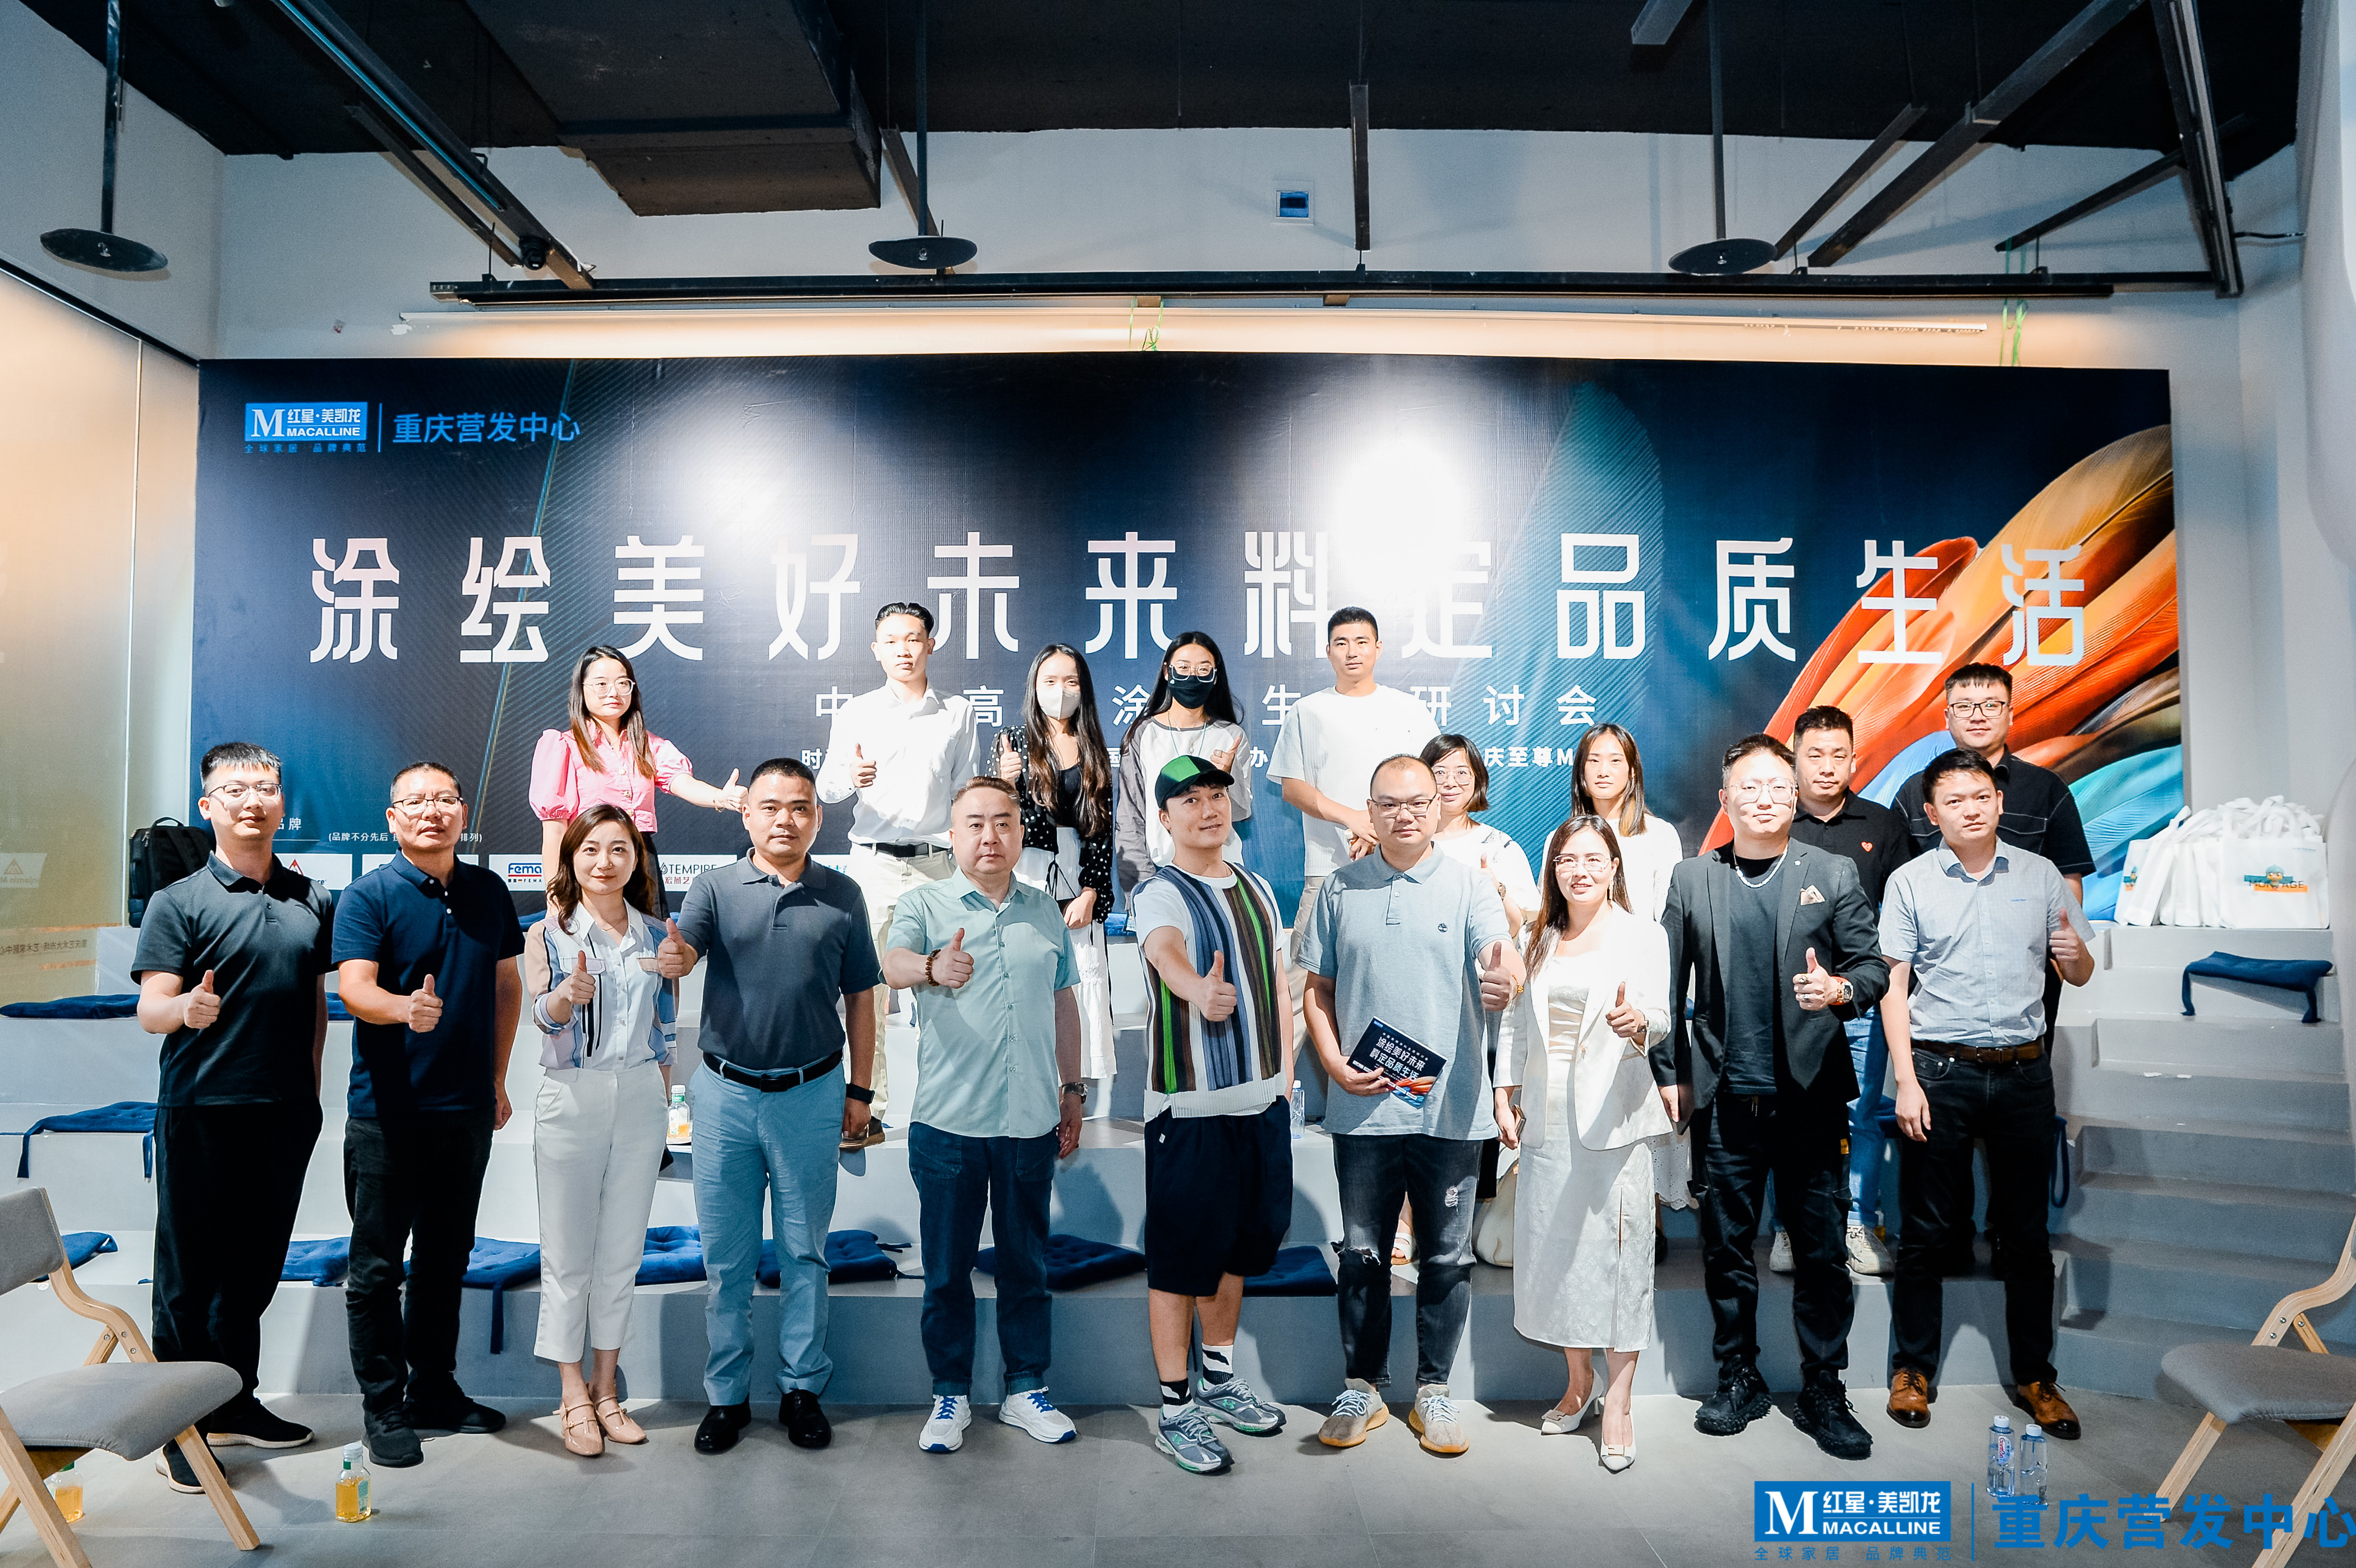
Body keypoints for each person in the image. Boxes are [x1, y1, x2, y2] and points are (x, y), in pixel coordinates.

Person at [1655, 735, 1889, 1463]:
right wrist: (1671, 1071)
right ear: (1725, 799)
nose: (1763, 798)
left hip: (1811, 1096)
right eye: (1748, 786)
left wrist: (1839, 989)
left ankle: (1824, 1386)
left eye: (1776, 786)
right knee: (1726, 1248)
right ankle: (1739, 1375)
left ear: (1795, 796)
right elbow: (1666, 983)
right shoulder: (1694, 878)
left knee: (1820, 1251)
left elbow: (1873, 967)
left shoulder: (1832, 870)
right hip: (1727, 1098)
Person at [1301, 753, 1522, 1458]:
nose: (1405, 815)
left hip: (1451, 1109)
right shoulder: (1339, 888)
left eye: (1418, 802)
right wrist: (1333, 1063)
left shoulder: (1470, 884)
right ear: (1369, 811)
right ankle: (1361, 1387)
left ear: (1439, 806)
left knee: (1448, 1255)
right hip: (1364, 1108)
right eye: (1390, 804)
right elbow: (1318, 989)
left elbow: (1502, 955)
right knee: (1363, 1251)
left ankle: (1433, 1389)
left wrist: (1507, 979)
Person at [131, 742, 332, 1493]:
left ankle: (234, 1400)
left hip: (284, 1111)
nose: (253, 799)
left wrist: (310, 1090)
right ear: (208, 805)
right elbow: (151, 1006)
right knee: (188, 1278)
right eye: (236, 788)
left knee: (252, 1271)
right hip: (203, 1108)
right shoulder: (178, 900)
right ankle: (180, 1427)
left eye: (266, 787)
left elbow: (314, 1003)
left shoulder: (314, 897)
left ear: (282, 803)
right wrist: (184, 1006)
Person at [666, 760, 881, 1457]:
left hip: (812, 1093)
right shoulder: (714, 886)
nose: (784, 818)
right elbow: (685, 951)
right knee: (727, 1260)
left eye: (799, 806)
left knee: (804, 1252)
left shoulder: (843, 894)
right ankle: (727, 1396)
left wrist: (861, 1091)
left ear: (818, 816)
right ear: (747, 814)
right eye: (770, 806)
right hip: (724, 1093)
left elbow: (862, 998)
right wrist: (673, 955)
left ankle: (801, 1389)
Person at [1880, 749, 2093, 1441]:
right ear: (1932, 813)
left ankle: (2037, 1377)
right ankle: (1913, 1370)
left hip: (2025, 1073)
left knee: (2026, 1235)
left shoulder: (2042, 876)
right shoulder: (1910, 881)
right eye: (1954, 800)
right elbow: (1894, 987)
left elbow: (2081, 968)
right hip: (1941, 1072)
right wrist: (1906, 1080)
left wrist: (2075, 957)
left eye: (1981, 796)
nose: (1970, 809)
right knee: (1924, 1233)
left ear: (2000, 802)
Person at [882, 776, 1085, 1455]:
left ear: (1021, 832)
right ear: (952, 835)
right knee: (947, 1271)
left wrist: (1073, 1090)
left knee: (1027, 1265)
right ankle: (950, 1393)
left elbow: (1064, 1002)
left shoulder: (1045, 910)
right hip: (948, 1125)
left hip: (1030, 1122)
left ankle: (1026, 1388)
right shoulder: (924, 903)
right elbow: (893, 963)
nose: (990, 835)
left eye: (1002, 821)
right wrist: (932, 965)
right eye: (974, 823)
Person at [332, 763, 524, 1469]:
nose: (431, 811)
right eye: (415, 802)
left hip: (465, 1108)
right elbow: (355, 988)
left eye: (444, 799)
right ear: (392, 818)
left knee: (447, 1257)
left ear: (463, 811)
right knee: (377, 1268)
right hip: (388, 1112)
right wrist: (401, 1008)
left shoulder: (489, 890)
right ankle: (384, 1406)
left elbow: (508, 984)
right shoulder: (368, 895)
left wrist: (497, 1076)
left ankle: (434, 1389)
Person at [1129, 755, 1295, 1475]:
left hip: (1261, 1105)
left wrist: (1285, 1083)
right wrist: (1198, 989)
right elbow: (1166, 954)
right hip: (1190, 1110)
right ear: (1165, 817)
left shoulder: (1258, 887)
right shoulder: (1158, 892)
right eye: (1190, 799)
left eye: (1217, 796)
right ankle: (1175, 1408)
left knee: (1237, 1248)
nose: (1208, 809)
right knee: (1179, 1260)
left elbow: (1279, 984)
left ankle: (1220, 1379)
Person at [1494, 815, 1673, 1473]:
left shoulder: (1642, 934)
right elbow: (1514, 1021)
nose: (1581, 870)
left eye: (1594, 858)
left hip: (1614, 1123)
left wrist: (1638, 1022)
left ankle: (1619, 1403)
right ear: (1555, 868)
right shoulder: (1536, 935)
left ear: (1614, 866)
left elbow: (1662, 1015)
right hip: (1547, 1122)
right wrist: (1503, 1092)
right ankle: (1579, 1383)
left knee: (1620, 1261)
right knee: (1559, 1254)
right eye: (1568, 858)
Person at [521, 804, 680, 1458]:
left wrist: (663, 1101)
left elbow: (665, 1029)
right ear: (571, 859)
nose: (604, 861)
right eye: (590, 849)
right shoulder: (548, 932)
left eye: (619, 848)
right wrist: (567, 996)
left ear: (637, 859)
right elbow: (542, 1014)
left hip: (640, 1095)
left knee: (622, 1251)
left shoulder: (657, 935)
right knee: (568, 1256)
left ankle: (607, 1387)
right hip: (572, 1095)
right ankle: (572, 1394)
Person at [816, 603, 983, 1146]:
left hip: (938, 863)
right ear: (876, 649)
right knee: (868, 988)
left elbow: (966, 791)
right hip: (875, 863)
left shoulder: (957, 712)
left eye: (913, 638)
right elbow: (826, 789)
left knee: (946, 982)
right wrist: (851, 774)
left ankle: (950, 1109)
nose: (904, 649)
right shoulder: (857, 711)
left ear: (931, 644)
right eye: (892, 640)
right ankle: (868, 1109)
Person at [1767, 705, 1917, 1280]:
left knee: (1861, 1115)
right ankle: (1789, 1227)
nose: (1827, 766)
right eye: (1815, 754)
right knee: (1788, 1116)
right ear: (1794, 760)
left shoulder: (1884, 826)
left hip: (1859, 1002)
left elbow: (1901, 922)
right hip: (1789, 1002)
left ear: (1855, 759)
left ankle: (1860, 1222)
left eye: (1838, 755)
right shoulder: (1772, 823)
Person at [1269, 609, 1439, 1111]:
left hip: (1401, 869)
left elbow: (1428, 787)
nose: (1352, 651)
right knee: (1301, 989)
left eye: (1362, 641)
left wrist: (1381, 833)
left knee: (1396, 982)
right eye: (1341, 642)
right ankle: (1273, 1102)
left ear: (1379, 648)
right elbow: (1293, 786)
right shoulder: (1308, 711)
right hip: (1328, 869)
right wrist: (1353, 819)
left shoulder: (1409, 710)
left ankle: (1405, 1098)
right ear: (1328, 652)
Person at [1891, 663, 2095, 1056]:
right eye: (1965, 706)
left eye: (1991, 704)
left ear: (2011, 713)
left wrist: (2060, 957)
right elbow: (1900, 880)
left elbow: (2067, 878)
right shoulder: (1916, 791)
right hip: (1942, 980)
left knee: (2027, 1067)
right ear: (1947, 716)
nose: (1978, 715)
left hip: (2026, 975)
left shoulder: (2046, 788)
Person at [530, 645, 747, 912]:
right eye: (601, 684)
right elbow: (554, 832)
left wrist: (720, 797)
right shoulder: (564, 745)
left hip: (640, 859)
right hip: (591, 860)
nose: (614, 692)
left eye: (623, 683)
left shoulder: (646, 744)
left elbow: (680, 781)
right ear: (581, 690)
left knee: (650, 934)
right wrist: (555, 898)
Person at [997, 643, 1118, 1112]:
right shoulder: (1012, 740)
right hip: (1027, 869)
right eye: (1050, 681)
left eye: (1071, 681)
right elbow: (997, 815)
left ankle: (1072, 1090)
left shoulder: (1093, 748)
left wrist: (1092, 891)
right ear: (1034, 686)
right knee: (1027, 972)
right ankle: (1025, 1084)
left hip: (1078, 875)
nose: (1061, 691)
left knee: (1080, 978)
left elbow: (1101, 828)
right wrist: (1007, 782)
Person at [1115, 631, 1251, 895]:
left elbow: (1241, 812)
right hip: (1162, 875)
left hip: (1223, 874)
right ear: (1168, 672)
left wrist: (1228, 777)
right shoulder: (1143, 734)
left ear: (1215, 676)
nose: (1193, 677)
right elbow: (1131, 818)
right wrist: (1142, 888)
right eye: (1184, 668)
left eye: (1203, 669)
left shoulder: (1231, 736)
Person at [1422, 734, 1539, 938]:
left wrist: (1497, 890)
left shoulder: (1500, 846)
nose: (1450, 782)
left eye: (1462, 773)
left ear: (1477, 779)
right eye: (1439, 772)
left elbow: (1516, 928)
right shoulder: (1407, 843)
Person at [1571, 722, 1682, 921]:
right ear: (1582, 771)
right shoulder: (1563, 839)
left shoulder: (1659, 835)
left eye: (1615, 761)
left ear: (1632, 771)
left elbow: (1668, 917)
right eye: (1594, 761)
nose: (1603, 771)